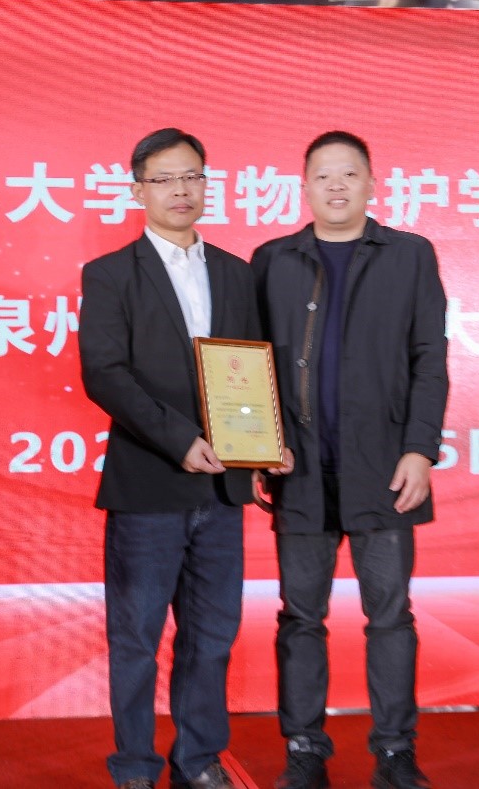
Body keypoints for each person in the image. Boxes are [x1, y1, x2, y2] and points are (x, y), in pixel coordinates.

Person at [250, 131, 449, 789]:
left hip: (385, 470)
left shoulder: (409, 255)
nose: (335, 186)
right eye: (322, 176)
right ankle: (305, 749)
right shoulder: (272, 260)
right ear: (304, 187)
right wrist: (258, 445)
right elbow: (249, 365)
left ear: (371, 183)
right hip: (299, 472)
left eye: (348, 174)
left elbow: (429, 358)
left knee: (390, 616)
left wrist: (420, 449)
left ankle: (395, 752)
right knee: (300, 618)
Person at [80, 128, 275, 789]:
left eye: (191, 176)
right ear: (138, 190)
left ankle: (198, 760)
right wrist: (178, 439)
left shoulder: (237, 272)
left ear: (206, 184)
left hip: (223, 489)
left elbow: (251, 369)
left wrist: (265, 444)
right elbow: (105, 373)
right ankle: (135, 766)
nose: (180, 190)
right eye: (164, 179)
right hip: (148, 486)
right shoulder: (110, 274)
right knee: (135, 637)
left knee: (212, 635)